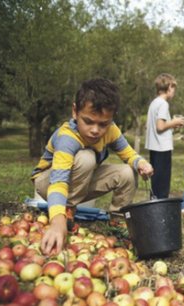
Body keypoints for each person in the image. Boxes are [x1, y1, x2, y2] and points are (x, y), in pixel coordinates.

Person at [32, 78, 154, 255]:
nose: (95, 130)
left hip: (78, 183)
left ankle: (117, 222)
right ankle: (65, 213)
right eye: (88, 122)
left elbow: (127, 153)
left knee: (127, 171)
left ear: (111, 118)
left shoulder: (111, 130)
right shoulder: (67, 138)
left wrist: (141, 163)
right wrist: (56, 222)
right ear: (75, 111)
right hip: (48, 183)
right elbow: (59, 182)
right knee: (86, 157)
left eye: (103, 124)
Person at [145, 73, 184, 199]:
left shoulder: (154, 103)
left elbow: (159, 125)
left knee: (156, 181)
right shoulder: (163, 104)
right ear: (169, 87)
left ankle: (154, 203)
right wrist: (175, 122)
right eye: (173, 88)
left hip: (154, 146)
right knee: (163, 183)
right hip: (162, 148)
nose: (174, 92)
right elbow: (160, 126)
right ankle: (161, 207)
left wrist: (171, 125)